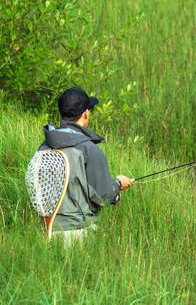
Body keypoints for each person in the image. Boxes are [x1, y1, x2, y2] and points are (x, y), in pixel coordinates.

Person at [38, 86, 133, 245]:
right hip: (79, 232)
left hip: (47, 230)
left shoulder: (44, 146)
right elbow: (104, 195)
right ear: (85, 114)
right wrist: (118, 184)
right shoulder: (89, 150)